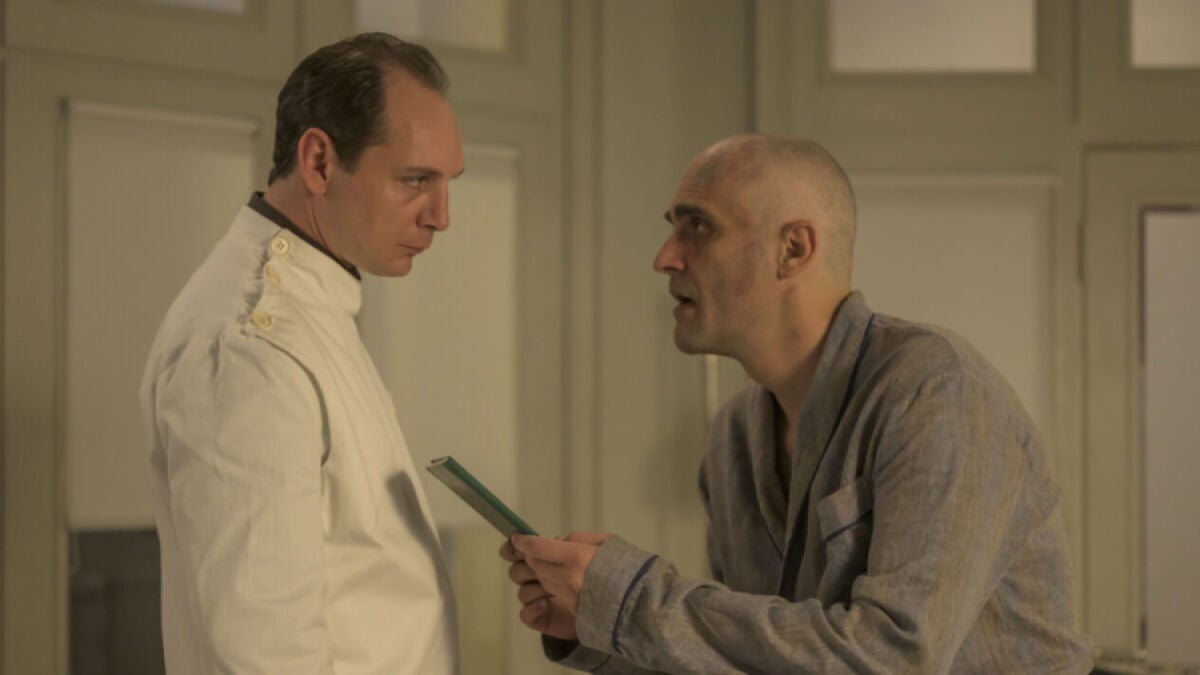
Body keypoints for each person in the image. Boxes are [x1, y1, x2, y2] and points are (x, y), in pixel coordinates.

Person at [502, 135, 1093, 673]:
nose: (665, 257)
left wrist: (629, 603)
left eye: (698, 226)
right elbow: (756, 661)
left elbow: (896, 658)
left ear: (792, 249)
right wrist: (600, 633)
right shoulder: (732, 437)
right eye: (672, 228)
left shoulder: (936, 392)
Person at [140, 33, 465, 673]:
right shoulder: (252, 350)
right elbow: (266, 658)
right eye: (415, 180)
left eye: (447, 183)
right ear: (318, 161)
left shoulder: (309, 309)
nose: (441, 216)